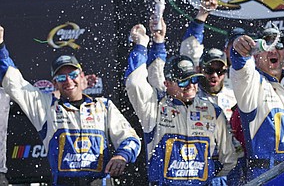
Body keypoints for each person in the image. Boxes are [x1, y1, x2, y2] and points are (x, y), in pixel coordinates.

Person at [0, 26, 140, 185]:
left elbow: (130, 139)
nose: (68, 81)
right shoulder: (46, 107)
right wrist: (0, 47)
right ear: (54, 84)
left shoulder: (103, 106)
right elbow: (13, 83)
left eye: (73, 75)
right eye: (61, 78)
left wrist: (121, 156)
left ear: (82, 77)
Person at [125, 20, 236, 185]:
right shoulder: (155, 107)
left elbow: (229, 160)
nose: (190, 86)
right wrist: (141, 45)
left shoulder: (212, 111)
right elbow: (134, 83)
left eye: (194, 80)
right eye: (183, 81)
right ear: (167, 83)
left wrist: (213, 178)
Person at [230, 26, 284, 180]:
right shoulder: (251, 85)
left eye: (279, 46)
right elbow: (241, 69)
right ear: (256, 54)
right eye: (268, 46)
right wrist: (238, 50)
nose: (273, 51)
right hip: (268, 176)